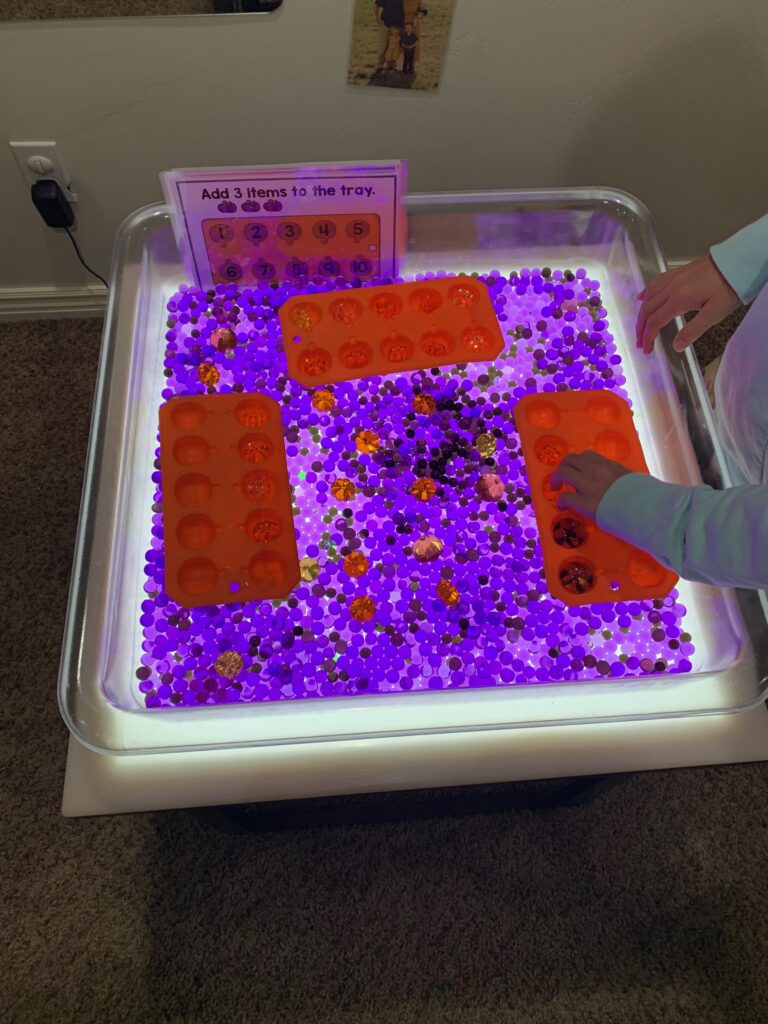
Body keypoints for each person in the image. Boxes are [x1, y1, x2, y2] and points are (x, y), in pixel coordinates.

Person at [552, 213, 768, 589]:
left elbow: (752, 543)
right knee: (724, 437)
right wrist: (742, 261)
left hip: (736, 532)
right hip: (747, 396)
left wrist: (651, 512)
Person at [374, 0, 404, 71]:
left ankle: (392, 64)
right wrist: (377, 19)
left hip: (397, 26)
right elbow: (376, 6)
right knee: (383, 44)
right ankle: (380, 64)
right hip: (385, 24)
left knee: (395, 45)